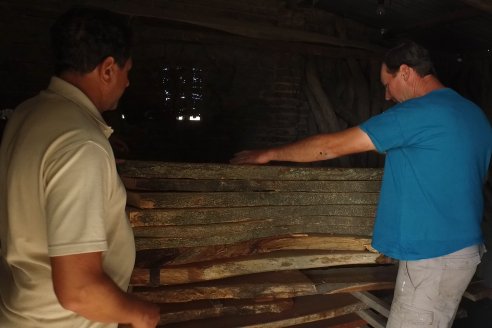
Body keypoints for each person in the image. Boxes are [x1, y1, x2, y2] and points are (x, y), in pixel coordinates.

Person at [231, 40, 492, 327]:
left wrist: (268, 154)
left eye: (387, 83)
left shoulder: (417, 114)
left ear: (405, 72)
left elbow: (329, 147)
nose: (387, 95)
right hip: (463, 251)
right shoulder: (473, 114)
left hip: (432, 258)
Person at [0, 7, 160, 328]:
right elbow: (80, 291)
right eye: (127, 70)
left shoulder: (28, 113)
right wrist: (142, 314)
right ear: (108, 69)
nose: (128, 82)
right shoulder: (80, 145)